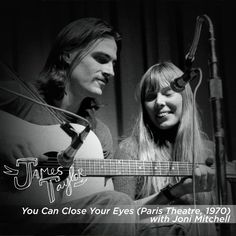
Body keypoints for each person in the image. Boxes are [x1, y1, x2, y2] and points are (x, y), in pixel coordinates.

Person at [0, 18, 137, 235]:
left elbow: (105, 204)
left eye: (113, 63)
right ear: (67, 54)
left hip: (61, 222)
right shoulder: (19, 97)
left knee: (118, 205)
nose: (111, 71)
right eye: (101, 59)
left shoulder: (99, 133)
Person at [113, 62, 216, 235]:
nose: (159, 102)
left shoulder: (207, 151)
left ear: (186, 98)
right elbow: (119, 217)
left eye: (168, 93)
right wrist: (176, 191)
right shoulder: (129, 149)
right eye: (150, 97)